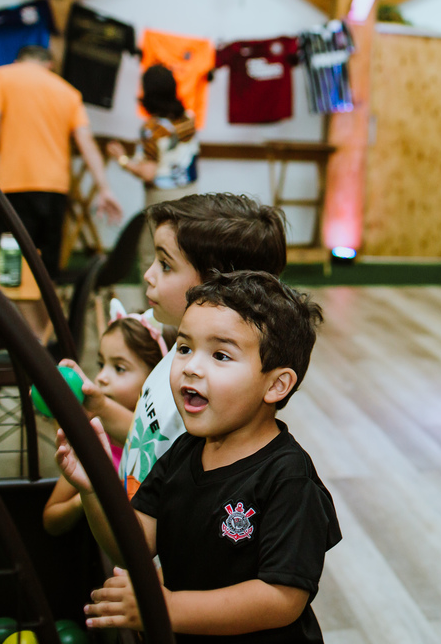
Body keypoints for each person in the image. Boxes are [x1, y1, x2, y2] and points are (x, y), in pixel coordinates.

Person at [55, 270, 340, 641]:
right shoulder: (183, 452)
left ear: (276, 384)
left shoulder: (288, 478)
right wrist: (95, 490)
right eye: (185, 348)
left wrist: (167, 607)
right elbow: (133, 549)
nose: (190, 366)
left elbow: (281, 598)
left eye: (220, 355)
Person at [59, 193, 289, 500]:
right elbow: (154, 437)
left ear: (214, 284)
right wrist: (99, 405)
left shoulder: (209, 388)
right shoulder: (181, 353)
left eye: (165, 265)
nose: (148, 275)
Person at [0, 44, 123, 338]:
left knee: (11, 270)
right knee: (45, 275)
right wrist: (104, 188)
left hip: (13, 189)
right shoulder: (67, 91)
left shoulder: (1, 76)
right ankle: (45, 342)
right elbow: (86, 141)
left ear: (19, 60)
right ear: (50, 65)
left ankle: (23, 341)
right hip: (55, 191)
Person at [43, 301, 170, 535]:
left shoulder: (165, 442)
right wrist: (87, 496)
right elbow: (51, 519)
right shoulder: (95, 443)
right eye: (101, 364)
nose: (101, 377)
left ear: (155, 377)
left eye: (119, 368)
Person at [106, 63, 200, 276]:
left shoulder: (152, 128)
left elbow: (148, 172)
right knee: (186, 252)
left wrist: (121, 158)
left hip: (162, 197)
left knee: (152, 253)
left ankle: (153, 307)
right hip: (192, 192)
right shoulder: (188, 118)